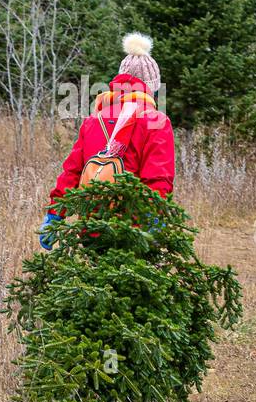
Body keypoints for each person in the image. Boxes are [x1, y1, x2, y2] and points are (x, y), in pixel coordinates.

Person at [40, 33, 175, 249]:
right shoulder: (156, 121)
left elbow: (72, 172)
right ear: (151, 87)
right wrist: (154, 220)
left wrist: (55, 215)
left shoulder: (94, 119)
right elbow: (158, 178)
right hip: (133, 233)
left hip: (92, 229)